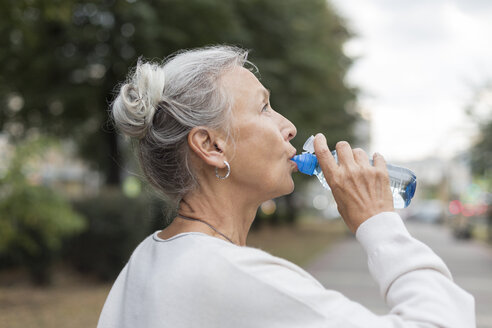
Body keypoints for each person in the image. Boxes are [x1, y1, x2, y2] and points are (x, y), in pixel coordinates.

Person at [98, 45, 475, 327]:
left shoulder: (146, 261)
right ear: (211, 146)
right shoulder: (234, 278)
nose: (289, 126)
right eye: (263, 108)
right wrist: (380, 223)